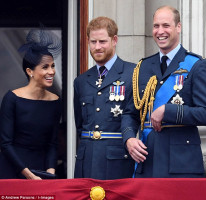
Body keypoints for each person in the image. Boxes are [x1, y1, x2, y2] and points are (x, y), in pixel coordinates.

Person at [121, 6, 206, 178]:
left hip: (181, 164)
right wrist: (129, 139)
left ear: (178, 27)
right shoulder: (143, 67)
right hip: (147, 160)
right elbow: (130, 113)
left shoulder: (196, 65)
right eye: (156, 26)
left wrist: (168, 110)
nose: (160, 31)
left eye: (166, 25)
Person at [73, 16, 135, 179]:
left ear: (114, 40)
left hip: (118, 162)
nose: (97, 47)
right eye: (93, 42)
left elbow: (136, 118)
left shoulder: (132, 73)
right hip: (86, 161)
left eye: (102, 41)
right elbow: (80, 125)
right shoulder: (81, 81)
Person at [0, 28, 62, 179]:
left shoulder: (55, 101)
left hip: (41, 171)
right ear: (30, 71)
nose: (52, 71)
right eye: (45, 67)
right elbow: (5, 144)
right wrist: (29, 175)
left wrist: (50, 172)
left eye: (53, 66)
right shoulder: (12, 98)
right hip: (13, 170)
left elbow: (52, 143)